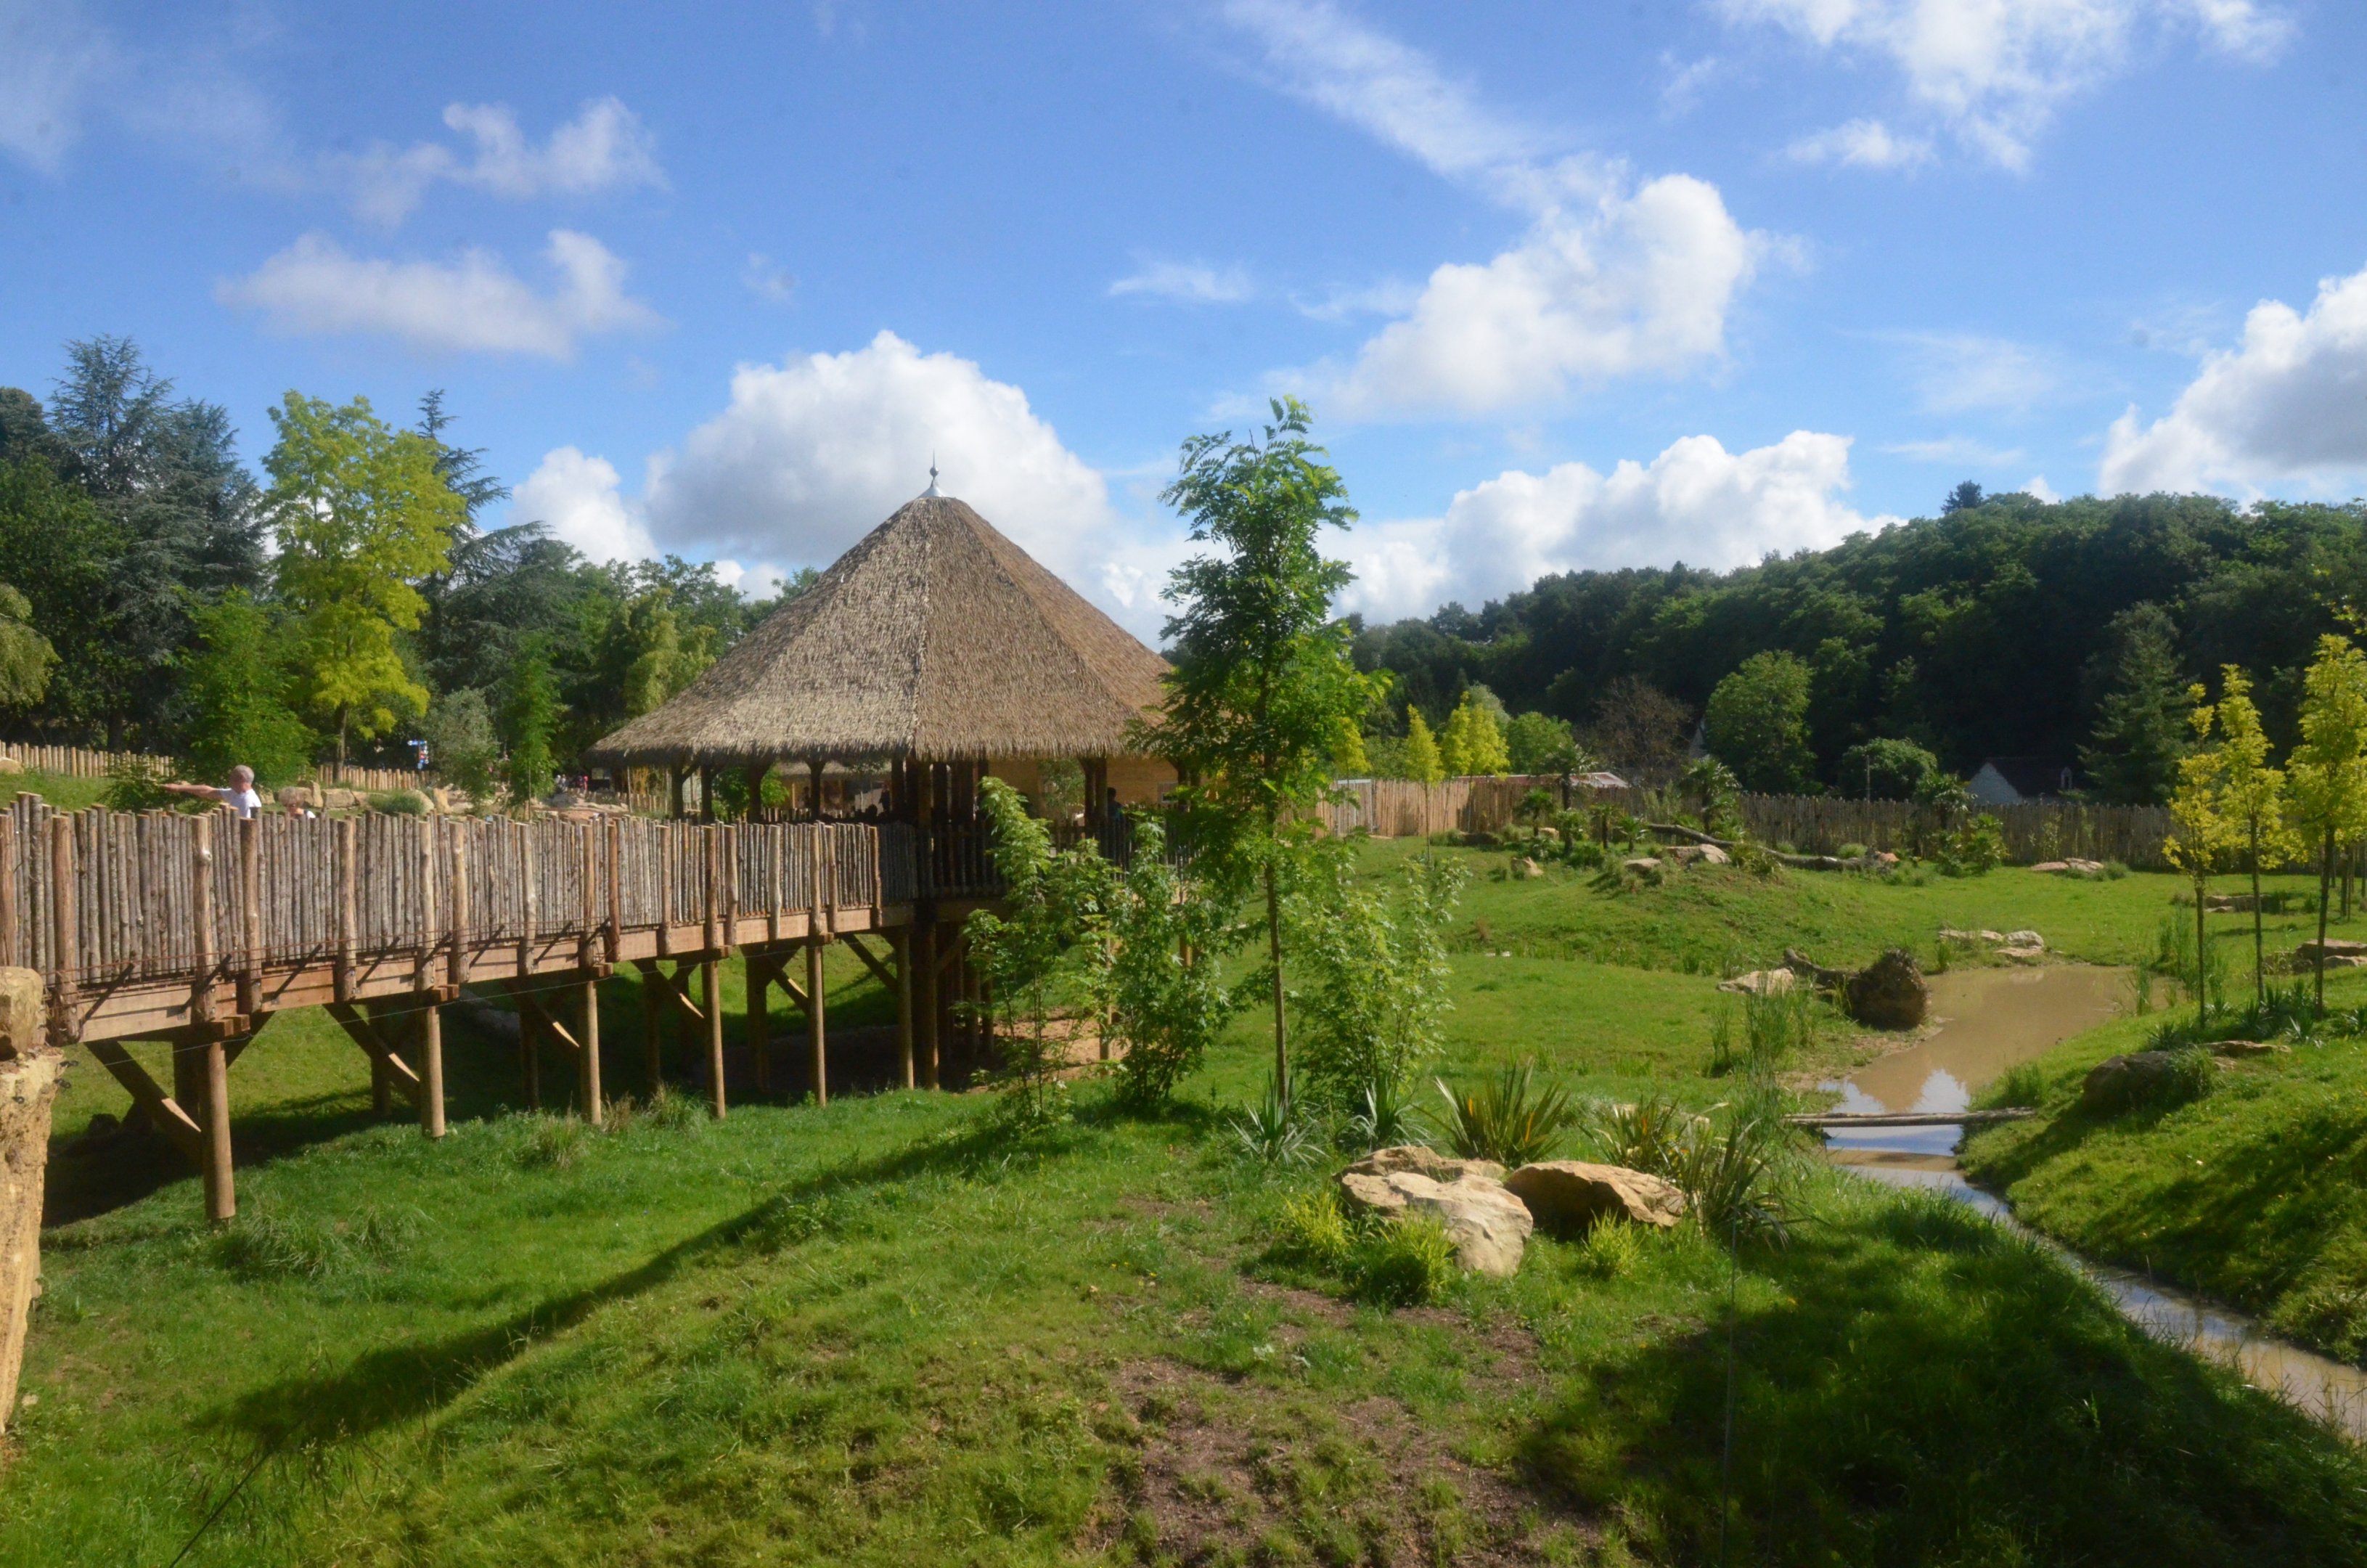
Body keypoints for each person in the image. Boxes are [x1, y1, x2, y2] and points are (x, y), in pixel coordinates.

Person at [164, 764, 263, 818]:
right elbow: (208, 791)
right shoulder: (235, 793)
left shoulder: (248, 801)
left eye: (232, 776)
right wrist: (179, 788)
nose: (229, 779)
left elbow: (246, 828)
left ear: (240, 778)